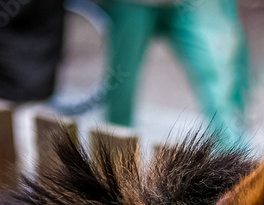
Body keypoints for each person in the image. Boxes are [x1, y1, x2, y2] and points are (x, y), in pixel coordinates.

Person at [103, 0, 249, 142]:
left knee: (210, 71)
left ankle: (230, 147)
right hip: (133, 6)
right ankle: (115, 151)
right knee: (122, 83)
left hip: (179, 7)